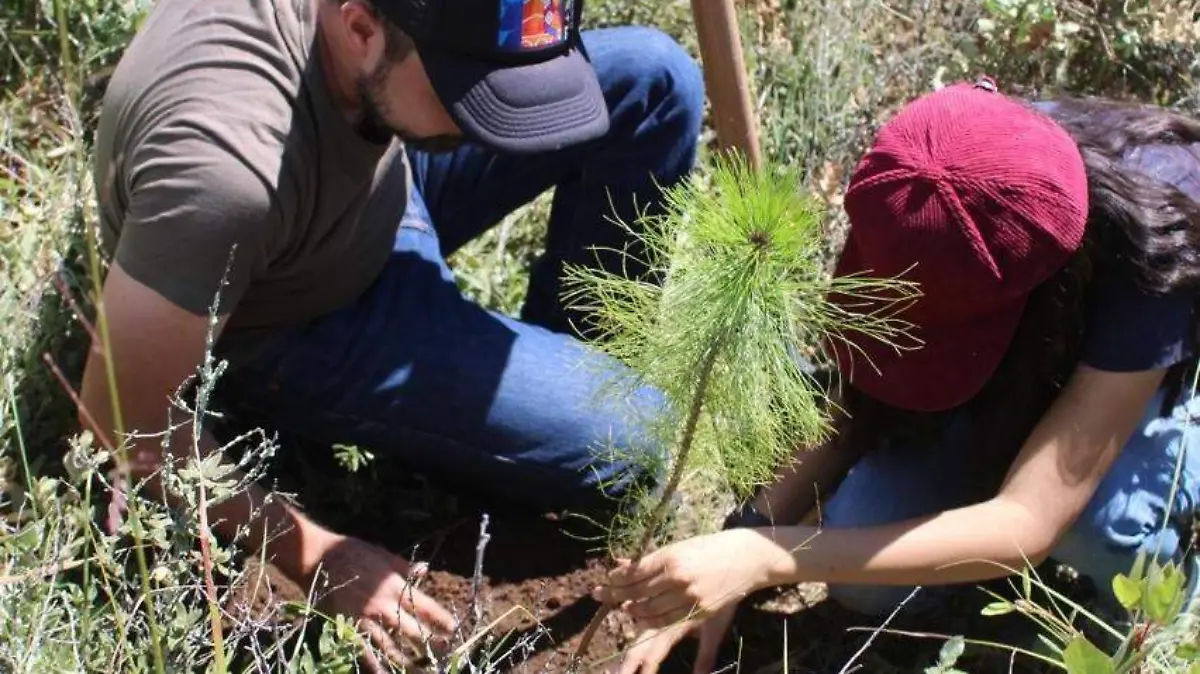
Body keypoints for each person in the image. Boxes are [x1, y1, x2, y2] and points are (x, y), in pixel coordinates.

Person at [84, 0, 702, 667]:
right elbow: (118, 413)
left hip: (380, 166)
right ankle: (564, 433)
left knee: (654, 78)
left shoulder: (380, 61)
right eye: (470, 91)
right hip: (298, 308)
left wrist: (465, 89)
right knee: (637, 442)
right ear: (360, 27)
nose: (507, 128)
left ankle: (562, 401)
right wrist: (313, 553)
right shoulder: (227, 178)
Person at [596, 78, 1200, 674]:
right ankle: (975, 547)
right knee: (865, 562)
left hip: (1140, 394)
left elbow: (1029, 521)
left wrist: (767, 557)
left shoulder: (1150, 250)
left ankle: (1158, 598)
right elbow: (859, 405)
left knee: (1102, 528)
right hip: (1020, 369)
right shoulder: (927, 174)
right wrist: (744, 534)